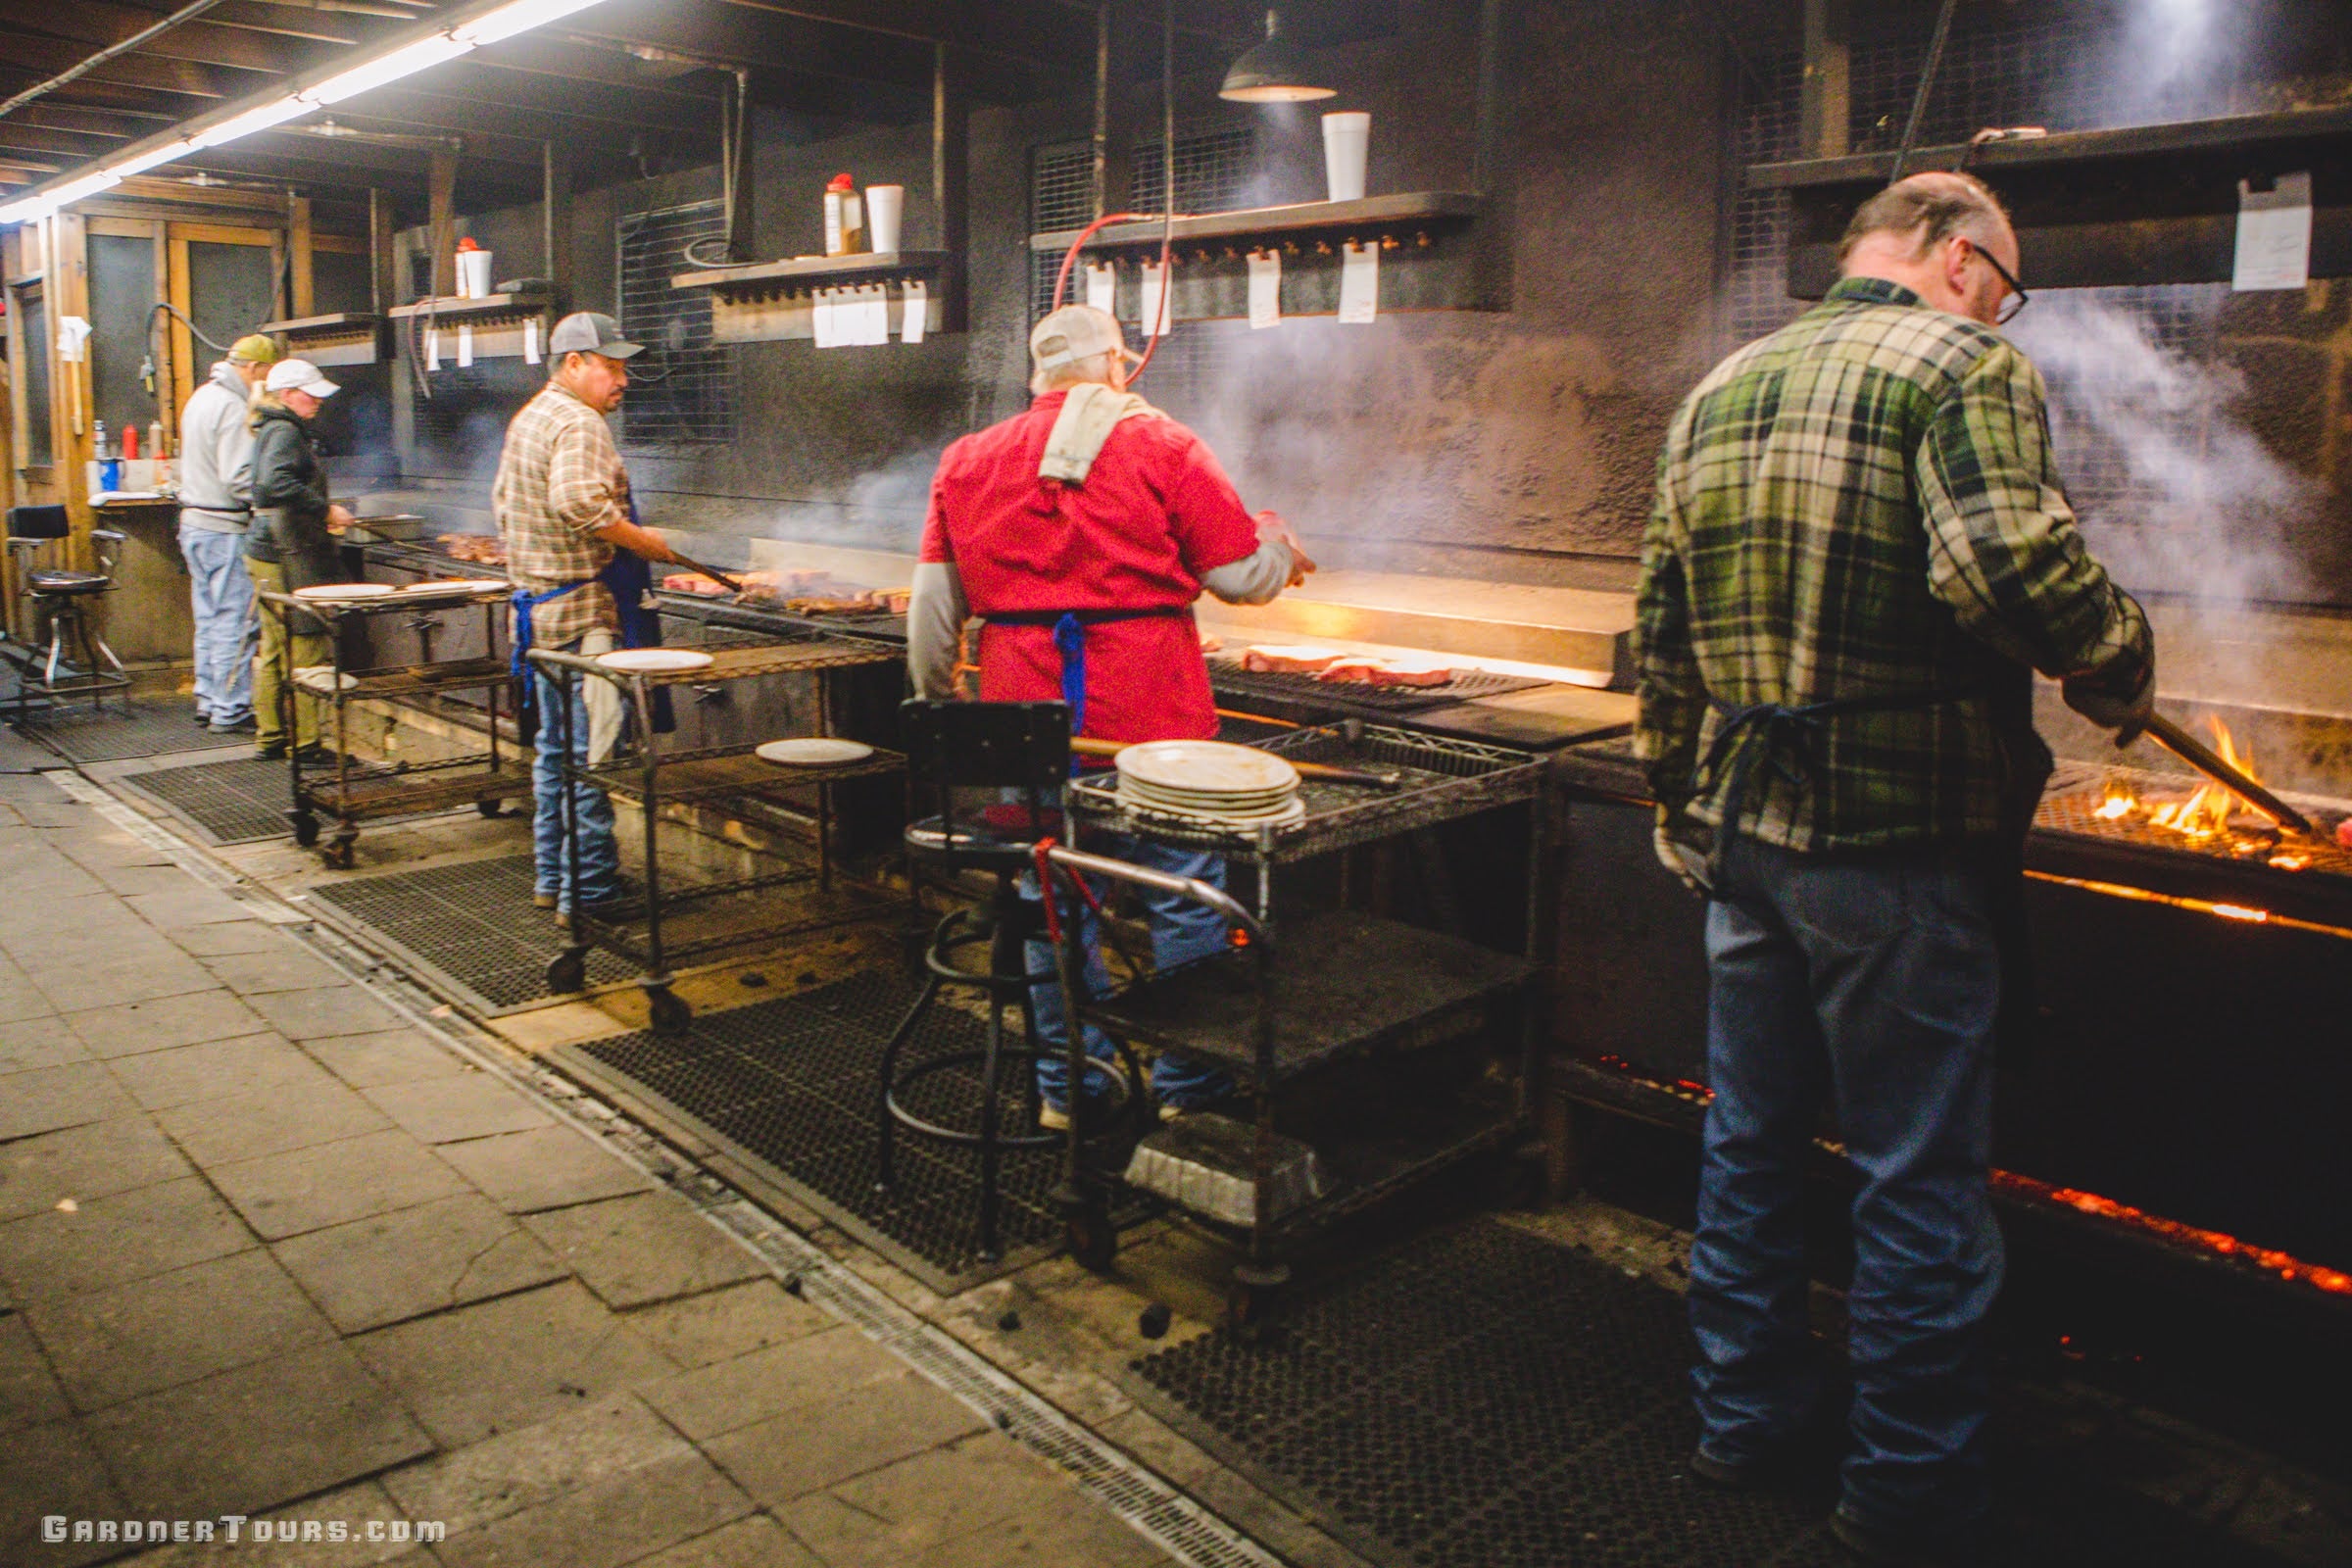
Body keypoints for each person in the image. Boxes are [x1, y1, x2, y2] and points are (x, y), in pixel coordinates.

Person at [1636, 172, 2155, 1567]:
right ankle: (1906, 1503)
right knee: (1913, 1180)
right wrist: (2118, 654)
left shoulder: (1723, 385)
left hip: (1744, 831)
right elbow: (2006, 569)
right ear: (1955, 253)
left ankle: (1739, 1428)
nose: (2003, 304)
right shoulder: (1962, 361)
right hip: (1895, 844)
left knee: (1747, 1148)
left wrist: (1680, 804)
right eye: (2007, 279)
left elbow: (1661, 626)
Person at [909, 303, 1315, 1127]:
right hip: (1153, 720)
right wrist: (1275, 537)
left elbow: (930, 611)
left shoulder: (966, 459)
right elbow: (1241, 578)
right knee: (1184, 896)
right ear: (1116, 364)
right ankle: (1189, 1096)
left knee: (1049, 898)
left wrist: (941, 705)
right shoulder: (1163, 443)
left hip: (1025, 727)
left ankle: (1071, 1090)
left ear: (1039, 376)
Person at [492, 312, 678, 922]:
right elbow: (577, 502)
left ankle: (554, 877)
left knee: (555, 752)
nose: (621, 380)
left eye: (624, 368)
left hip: (540, 613)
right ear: (573, 364)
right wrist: (641, 541)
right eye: (611, 367)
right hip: (581, 614)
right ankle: (591, 889)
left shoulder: (534, 414)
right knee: (595, 754)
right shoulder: (579, 421)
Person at [241, 359, 356, 763]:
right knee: (305, 640)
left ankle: (271, 736)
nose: (318, 401)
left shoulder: (271, 426)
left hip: (264, 548)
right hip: (285, 549)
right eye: (311, 393)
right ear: (288, 395)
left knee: (273, 646)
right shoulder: (286, 430)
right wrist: (325, 510)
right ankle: (306, 744)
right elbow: (274, 484)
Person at [176, 332, 280, 733]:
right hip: (224, 528)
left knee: (209, 618)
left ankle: (208, 698)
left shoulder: (201, 397)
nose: (268, 383)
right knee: (235, 621)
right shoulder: (233, 405)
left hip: (195, 525)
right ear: (254, 368)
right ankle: (231, 708)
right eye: (268, 373)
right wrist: (268, 496)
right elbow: (238, 477)